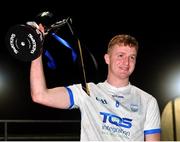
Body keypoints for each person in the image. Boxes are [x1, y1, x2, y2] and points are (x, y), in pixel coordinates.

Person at [30, 25, 161, 140]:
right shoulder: (87, 91)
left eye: (131, 57)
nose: (126, 63)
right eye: (120, 55)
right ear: (107, 58)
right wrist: (37, 49)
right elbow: (40, 95)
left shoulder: (148, 101)